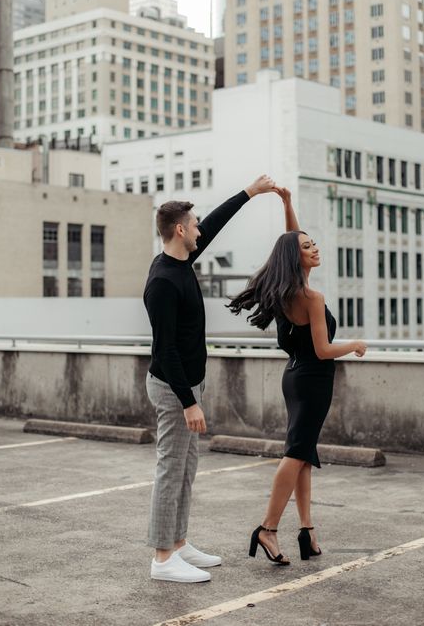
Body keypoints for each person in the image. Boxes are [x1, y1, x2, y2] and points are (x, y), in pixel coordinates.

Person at [144, 175, 276, 583]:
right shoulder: (163, 281)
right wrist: (189, 402)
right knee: (170, 469)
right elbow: (165, 350)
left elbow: (214, 224)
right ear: (180, 230)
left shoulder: (182, 261)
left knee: (186, 469)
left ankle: (179, 544)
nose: (202, 230)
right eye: (195, 224)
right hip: (172, 388)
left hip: (187, 384)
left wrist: (249, 193)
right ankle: (163, 559)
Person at [228, 188, 367, 565]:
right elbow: (323, 349)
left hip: (294, 378)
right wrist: (353, 343)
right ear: (297, 257)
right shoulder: (312, 297)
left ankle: (307, 530)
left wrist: (288, 206)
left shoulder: (287, 292)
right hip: (313, 380)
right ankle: (267, 529)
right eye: (308, 247)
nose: (314, 248)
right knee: (295, 454)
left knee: (304, 454)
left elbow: (290, 242)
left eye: (314, 243)